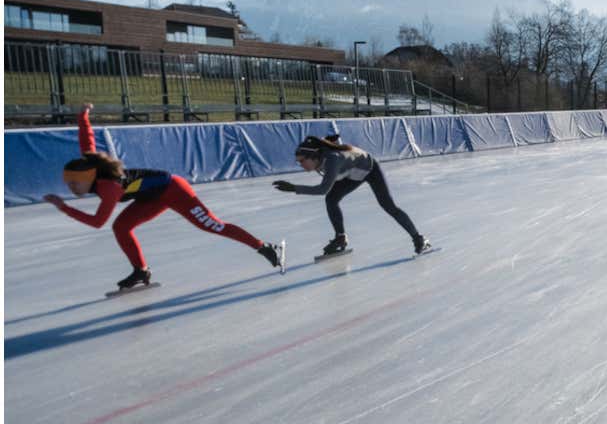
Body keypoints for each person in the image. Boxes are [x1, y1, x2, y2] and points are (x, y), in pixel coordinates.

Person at [44, 104, 285, 291]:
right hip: (151, 197)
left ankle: (264, 246)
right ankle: (141, 270)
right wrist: (83, 117)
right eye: (69, 184)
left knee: (213, 225)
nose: (72, 188)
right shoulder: (92, 167)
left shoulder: (109, 188)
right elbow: (87, 143)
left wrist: (64, 208)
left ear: (88, 177)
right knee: (121, 227)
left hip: (174, 190)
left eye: (74, 183)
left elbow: (98, 222)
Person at [273, 135, 431, 256]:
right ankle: (340, 238)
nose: (300, 165)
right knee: (332, 200)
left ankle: (419, 239)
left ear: (313, 156)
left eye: (302, 161)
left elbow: (322, 189)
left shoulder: (332, 160)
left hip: (369, 169)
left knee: (388, 206)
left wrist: (294, 188)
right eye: (298, 162)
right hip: (351, 173)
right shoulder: (319, 156)